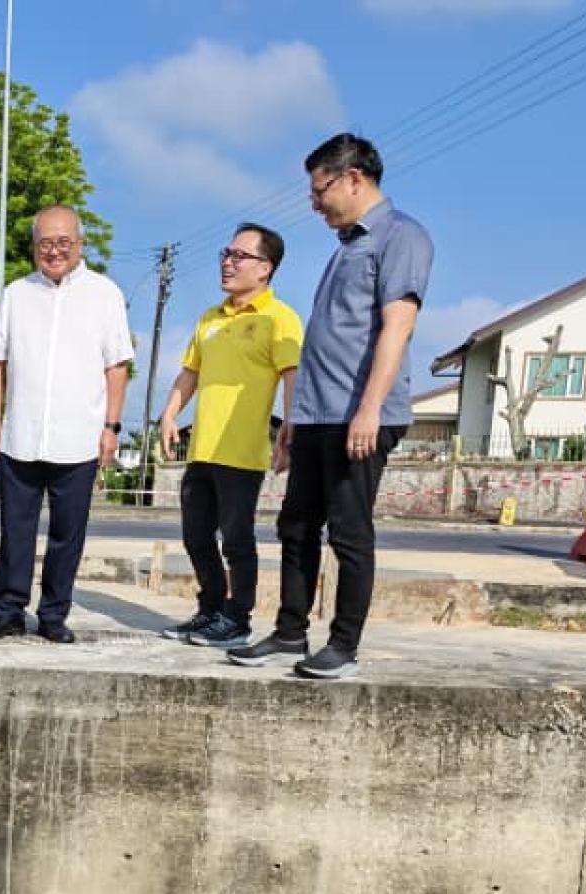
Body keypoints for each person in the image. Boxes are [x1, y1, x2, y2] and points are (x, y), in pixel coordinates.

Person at [231, 133, 432, 681]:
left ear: (353, 179)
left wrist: (369, 409)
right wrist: (295, 418)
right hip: (319, 415)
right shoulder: (347, 246)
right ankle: (290, 631)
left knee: (348, 531)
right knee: (296, 526)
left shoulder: (401, 236)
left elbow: (396, 328)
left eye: (320, 190)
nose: (315, 202)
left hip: (359, 416)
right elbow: (328, 340)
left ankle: (344, 645)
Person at [0, 206, 134, 643]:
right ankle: (9, 611)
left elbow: (117, 367)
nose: (55, 251)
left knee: (68, 535)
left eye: (64, 242)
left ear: (80, 244)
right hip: (20, 437)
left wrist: (111, 427)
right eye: (45, 242)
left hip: (79, 439)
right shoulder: (16, 294)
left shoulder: (105, 294)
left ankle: (53, 615)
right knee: (16, 532)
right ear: (34, 246)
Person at [155, 223, 302, 650]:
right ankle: (211, 610)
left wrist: (290, 428)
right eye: (227, 253)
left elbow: (292, 376)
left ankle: (237, 619)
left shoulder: (279, 318)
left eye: (240, 256)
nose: (228, 262)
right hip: (203, 449)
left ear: (265, 268)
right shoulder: (210, 318)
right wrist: (169, 415)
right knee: (195, 537)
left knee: (236, 541)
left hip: (242, 452)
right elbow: (190, 373)